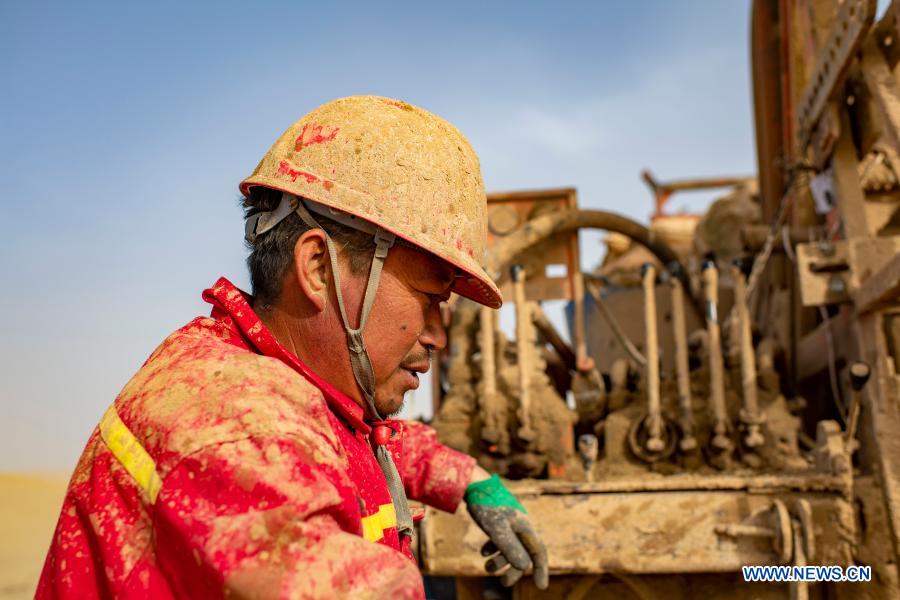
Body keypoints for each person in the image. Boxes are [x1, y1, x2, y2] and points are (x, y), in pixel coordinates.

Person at [37, 95, 548, 598]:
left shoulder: (281, 382)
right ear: (318, 269)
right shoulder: (231, 425)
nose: (437, 334)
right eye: (430, 298)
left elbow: (360, 437)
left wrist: (469, 479)